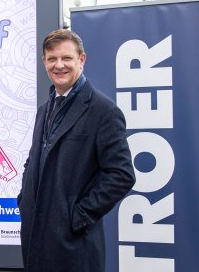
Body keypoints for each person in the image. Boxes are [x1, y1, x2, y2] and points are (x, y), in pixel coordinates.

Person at [17, 29, 135, 271]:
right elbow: (34, 160)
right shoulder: (45, 109)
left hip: (74, 245)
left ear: (81, 60)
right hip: (34, 240)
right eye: (52, 59)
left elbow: (121, 175)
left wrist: (77, 216)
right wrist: (24, 200)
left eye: (66, 58)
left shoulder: (103, 111)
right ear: (44, 62)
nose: (59, 65)